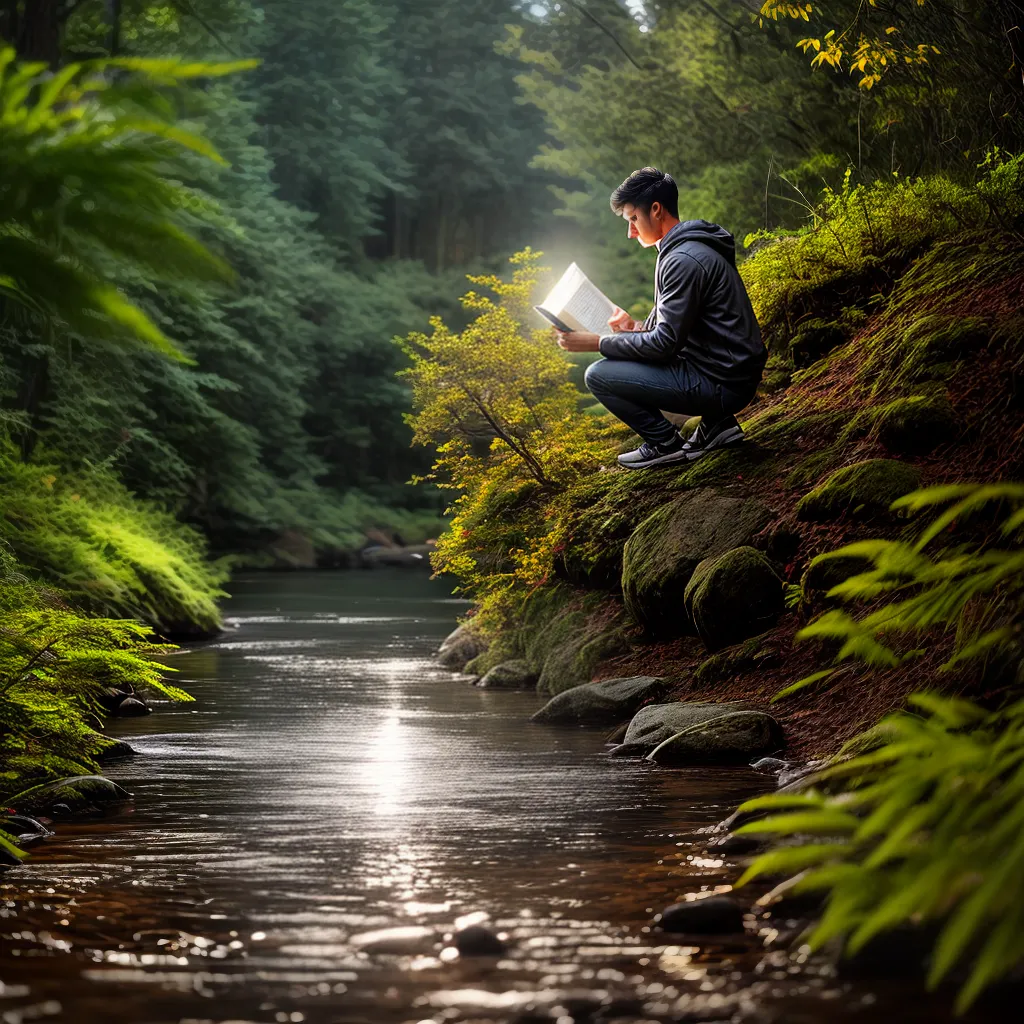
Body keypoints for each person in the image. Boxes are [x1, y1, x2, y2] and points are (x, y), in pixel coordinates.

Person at [555, 167, 767, 469]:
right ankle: (717, 426)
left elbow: (663, 345)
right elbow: (671, 332)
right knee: (618, 360)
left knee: (598, 375)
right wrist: (632, 328)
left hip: (724, 383)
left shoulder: (681, 260)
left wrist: (599, 342)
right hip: (729, 374)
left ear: (656, 210)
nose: (630, 232)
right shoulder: (688, 248)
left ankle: (665, 443)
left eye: (632, 219)